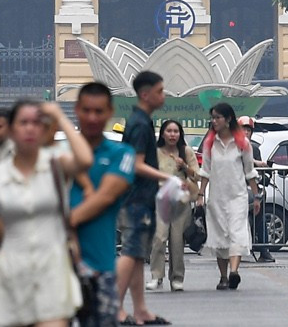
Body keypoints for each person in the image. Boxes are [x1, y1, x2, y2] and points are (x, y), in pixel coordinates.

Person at [0, 99, 95, 327]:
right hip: (10, 272)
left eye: (37, 123)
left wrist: (60, 117)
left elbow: (85, 159)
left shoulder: (56, 165)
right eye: (23, 122)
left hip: (52, 269)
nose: (29, 128)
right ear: (12, 130)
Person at [68, 83, 142, 327]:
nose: (92, 117)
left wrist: (65, 222)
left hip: (100, 268)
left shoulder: (122, 154)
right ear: (76, 110)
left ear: (110, 112)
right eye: (86, 110)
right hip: (57, 269)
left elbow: (105, 198)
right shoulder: (61, 154)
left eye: (98, 111)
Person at [115, 72, 172, 322]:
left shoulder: (143, 120)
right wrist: (167, 177)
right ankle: (113, 307)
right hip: (137, 197)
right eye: (160, 91)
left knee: (137, 254)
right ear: (145, 94)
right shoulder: (139, 124)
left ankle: (140, 310)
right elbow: (136, 164)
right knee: (130, 252)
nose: (164, 95)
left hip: (140, 196)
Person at [197, 101, 256, 289]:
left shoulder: (242, 143)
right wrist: (200, 194)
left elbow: (250, 172)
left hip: (238, 196)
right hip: (216, 197)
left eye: (217, 117)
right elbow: (205, 170)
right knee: (219, 236)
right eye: (212, 118)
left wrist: (257, 197)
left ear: (228, 119)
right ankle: (223, 277)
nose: (214, 121)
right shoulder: (209, 143)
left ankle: (234, 272)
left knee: (237, 233)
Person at [149, 120, 199, 292]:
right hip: (161, 200)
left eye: (175, 131)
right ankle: (156, 276)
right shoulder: (155, 153)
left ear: (180, 134)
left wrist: (184, 166)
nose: (172, 134)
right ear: (162, 134)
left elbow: (197, 175)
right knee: (159, 238)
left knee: (177, 241)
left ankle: (177, 278)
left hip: (181, 202)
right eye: (169, 131)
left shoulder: (186, 151)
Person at [240, 116, 274, 263]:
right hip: (236, 189)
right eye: (243, 129)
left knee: (259, 216)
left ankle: (264, 250)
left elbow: (256, 173)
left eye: (248, 130)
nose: (246, 133)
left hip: (250, 189)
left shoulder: (254, 148)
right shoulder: (232, 145)